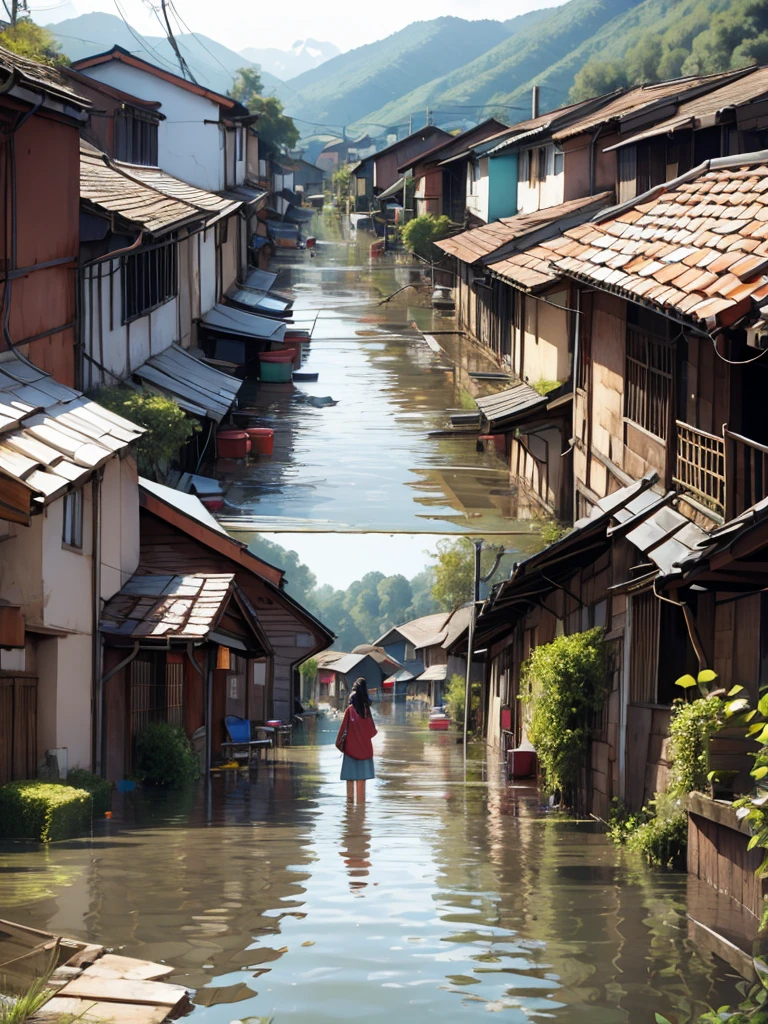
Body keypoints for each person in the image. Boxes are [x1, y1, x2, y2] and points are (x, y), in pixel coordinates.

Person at [336, 677, 377, 802]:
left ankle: (349, 808)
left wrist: (339, 745)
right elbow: (372, 732)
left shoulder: (349, 711)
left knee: (350, 779)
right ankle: (360, 809)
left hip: (350, 751)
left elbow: (342, 731)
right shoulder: (367, 712)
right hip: (365, 751)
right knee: (361, 781)